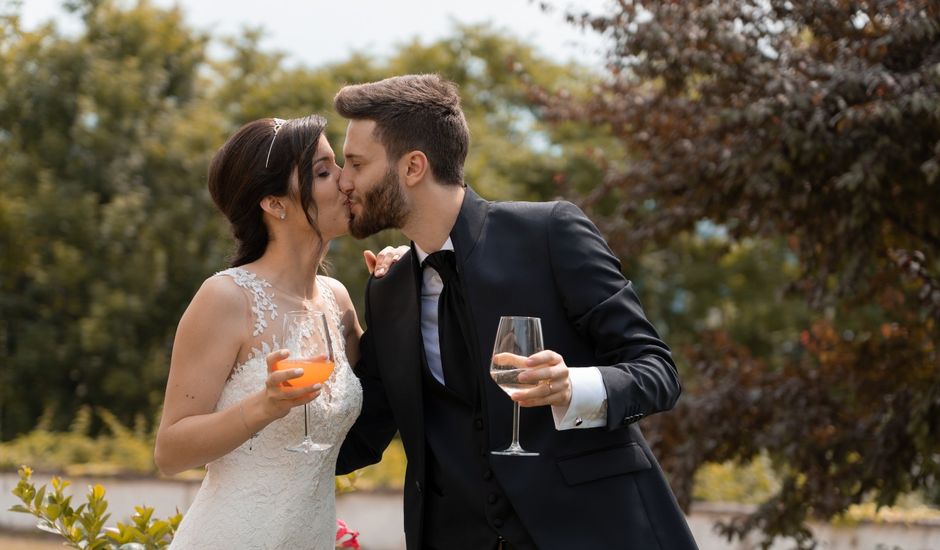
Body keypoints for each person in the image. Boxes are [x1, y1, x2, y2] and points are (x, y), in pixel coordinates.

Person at [334, 75, 699, 549]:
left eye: (356, 163)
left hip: (599, 532)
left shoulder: (549, 234)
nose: (343, 180)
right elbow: (366, 431)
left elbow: (659, 372)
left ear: (413, 167)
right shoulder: (387, 290)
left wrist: (575, 387)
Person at [154, 114, 403, 549]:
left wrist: (397, 293)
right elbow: (171, 452)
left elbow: (377, 405)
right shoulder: (225, 298)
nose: (347, 182)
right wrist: (263, 407)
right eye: (324, 171)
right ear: (274, 203)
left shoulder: (338, 299)